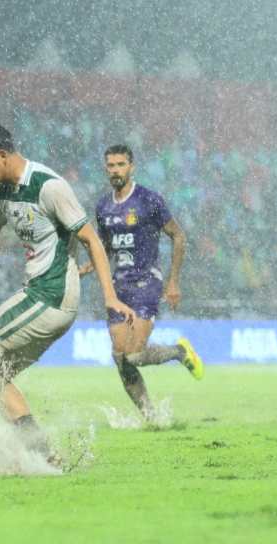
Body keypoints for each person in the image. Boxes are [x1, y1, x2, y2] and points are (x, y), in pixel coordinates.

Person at [0, 123, 136, 457]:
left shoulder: (49, 186)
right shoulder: (4, 193)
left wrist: (110, 298)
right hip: (38, 294)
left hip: (50, 294)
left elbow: (92, 240)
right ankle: (41, 454)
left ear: (2, 155)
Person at [80, 144, 203, 418]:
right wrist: (92, 264)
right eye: (110, 166)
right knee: (120, 357)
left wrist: (173, 282)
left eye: (120, 165)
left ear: (131, 167)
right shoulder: (103, 206)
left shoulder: (149, 200)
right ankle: (150, 416)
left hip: (147, 281)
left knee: (135, 355)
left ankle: (178, 351)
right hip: (119, 287)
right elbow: (106, 245)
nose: (115, 171)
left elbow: (179, 236)